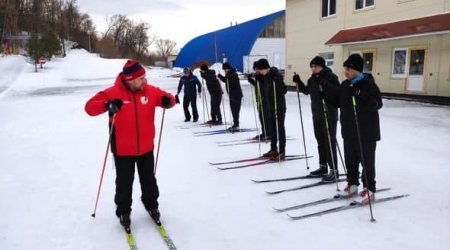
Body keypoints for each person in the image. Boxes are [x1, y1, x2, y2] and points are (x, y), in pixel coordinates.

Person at [84, 59, 176, 228]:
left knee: (149, 180)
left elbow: (169, 98)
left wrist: (168, 101)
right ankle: (124, 210)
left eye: (144, 77)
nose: (144, 80)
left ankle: (152, 205)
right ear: (130, 79)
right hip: (123, 150)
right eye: (141, 78)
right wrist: (107, 105)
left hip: (146, 148)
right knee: (124, 183)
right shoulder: (113, 92)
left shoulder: (150, 91)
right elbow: (89, 107)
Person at [325, 54, 382, 204]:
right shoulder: (345, 85)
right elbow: (336, 101)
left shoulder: (368, 84)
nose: (346, 72)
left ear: (356, 69)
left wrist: (358, 93)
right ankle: (352, 184)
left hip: (366, 132)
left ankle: (370, 189)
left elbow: (377, 103)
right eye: (345, 68)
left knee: (367, 162)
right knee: (350, 160)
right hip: (349, 131)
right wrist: (325, 90)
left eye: (348, 69)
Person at [293, 56, 340, 182]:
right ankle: (323, 167)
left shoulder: (331, 76)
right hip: (317, 114)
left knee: (329, 142)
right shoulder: (312, 79)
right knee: (320, 142)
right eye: (312, 67)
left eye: (316, 67)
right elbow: (307, 91)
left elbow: (337, 92)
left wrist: (324, 84)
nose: (313, 69)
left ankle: (334, 170)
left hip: (328, 114)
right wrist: (298, 82)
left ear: (322, 66)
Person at [255, 58, 287, 160]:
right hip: (270, 106)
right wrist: (258, 80)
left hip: (279, 106)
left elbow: (284, 90)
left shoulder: (276, 75)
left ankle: (282, 151)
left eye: (260, 70)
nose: (259, 72)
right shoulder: (265, 76)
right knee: (272, 128)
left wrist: (277, 82)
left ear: (265, 68)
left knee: (280, 128)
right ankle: (273, 148)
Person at [247, 61, 270, 140]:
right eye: (255, 70)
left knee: (266, 117)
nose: (256, 71)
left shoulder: (263, 76)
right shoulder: (258, 76)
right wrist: (251, 80)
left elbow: (265, 87)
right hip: (259, 100)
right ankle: (264, 132)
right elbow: (257, 86)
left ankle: (268, 133)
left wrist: (264, 97)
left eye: (257, 69)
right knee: (261, 117)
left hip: (264, 100)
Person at [218, 62, 243, 132]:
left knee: (235, 111)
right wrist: (220, 76)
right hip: (232, 95)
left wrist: (227, 78)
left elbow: (234, 84)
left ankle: (236, 125)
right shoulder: (228, 74)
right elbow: (226, 81)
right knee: (233, 110)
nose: (225, 71)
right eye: (224, 70)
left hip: (236, 95)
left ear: (228, 68)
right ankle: (235, 124)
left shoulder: (233, 74)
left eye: (226, 69)